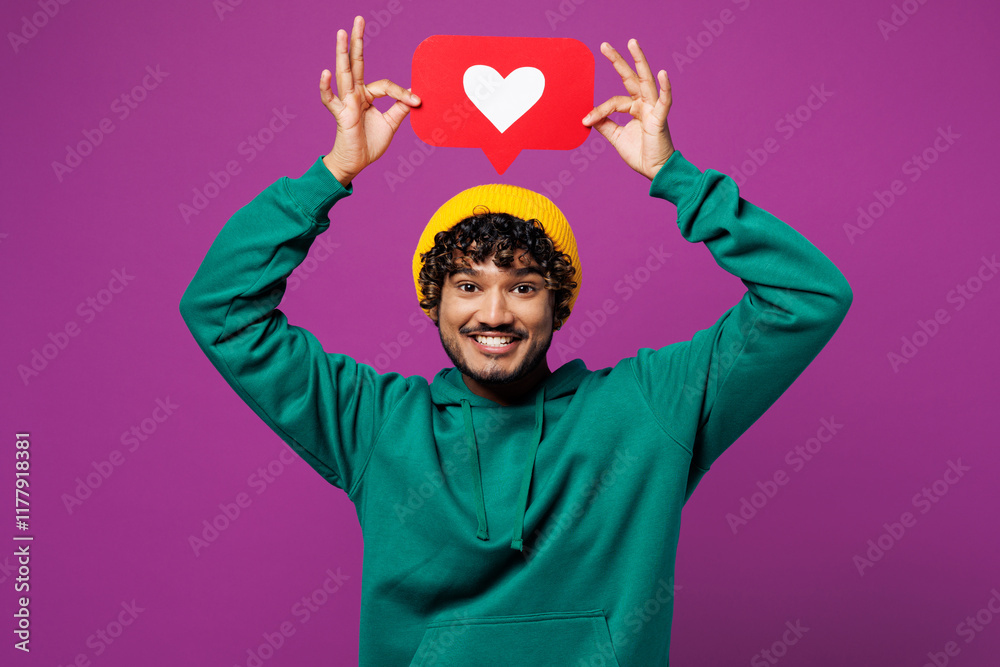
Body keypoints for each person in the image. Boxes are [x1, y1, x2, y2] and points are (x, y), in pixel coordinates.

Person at [179, 15, 853, 666]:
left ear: (559, 306)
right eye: (467, 286)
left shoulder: (648, 408)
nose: (494, 312)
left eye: (524, 286)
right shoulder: (376, 425)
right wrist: (332, 172)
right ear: (431, 301)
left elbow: (809, 297)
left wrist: (676, 177)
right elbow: (220, 309)